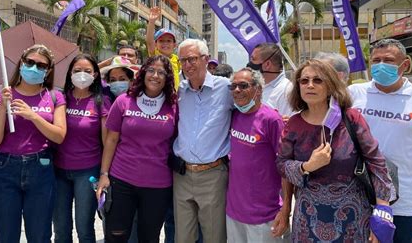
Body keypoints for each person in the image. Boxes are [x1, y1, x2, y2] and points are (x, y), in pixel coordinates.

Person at [277, 59, 395, 242]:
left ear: (330, 86)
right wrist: (307, 166)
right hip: (307, 219)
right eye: (304, 80)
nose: (310, 85)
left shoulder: (351, 118)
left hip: (352, 219)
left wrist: (382, 212)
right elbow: (282, 165)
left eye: (318, 80)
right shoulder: (294, 124)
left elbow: (376, 162)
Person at [0, 44, 67, 243]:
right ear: (21, 63)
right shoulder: (1, 95)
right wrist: (4, 107)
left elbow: (59, 136)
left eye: (41, 65)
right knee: (6, 236)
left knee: (39, 236)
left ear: (48, 71)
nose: (34, 68)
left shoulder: (55, 96)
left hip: (41, 168)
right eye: (30, 62)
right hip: (4, 169)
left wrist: (33, 116)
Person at [96, 55, 178, 242]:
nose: (155, 75)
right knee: (116, 236)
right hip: (122, 180)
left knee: (149, 238)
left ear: (167, 78)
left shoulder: (173, 106)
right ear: (142, 73)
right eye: (151, 70)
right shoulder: (124, 101)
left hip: (158, 186)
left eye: (161, 72)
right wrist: (104, 174)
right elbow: (111, 139)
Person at [349, 39, 412, 242]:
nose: (380, 65)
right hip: (357, 197)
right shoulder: (354, 93)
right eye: (376, 60)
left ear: (405, 64)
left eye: (388, 60)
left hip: (403, 204)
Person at [173, 38, 233, 243]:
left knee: (214, 237)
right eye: (183, 61)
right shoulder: (179, 91)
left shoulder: (226, 88)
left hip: (213, 175)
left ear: (206, 59)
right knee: (183, 237)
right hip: (182, 175)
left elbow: (250, 110)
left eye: (192, 59)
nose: (187, 65)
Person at [227, 68, 290, 242]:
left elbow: (285, 167)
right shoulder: (234, 115)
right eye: (233, 86)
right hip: (233, 213)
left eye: (243, 85)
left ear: (258, 89)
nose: (237, 90)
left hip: (264, 216)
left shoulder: (271, 120)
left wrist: (285, 210)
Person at [53, 54, 111, 242]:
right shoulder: (60, 99)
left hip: (88, 172)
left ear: (95, 75)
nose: (82, 75)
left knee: (84, 227)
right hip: (58, 171)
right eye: (77, 70)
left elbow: (107, 142)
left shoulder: (101, 102)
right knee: (61, 228)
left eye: (87, 71)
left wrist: (104, 173)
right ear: (70, 73)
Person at [247, 43, 292, 116]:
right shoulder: (257, 87)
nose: (249, 63)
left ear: (267, 64)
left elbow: (289, 124)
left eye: (253, 59)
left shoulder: (286, 91)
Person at [146, 6, 180, 88]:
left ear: (174, 45)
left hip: (174, 96)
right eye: (161, 41)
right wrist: (151, 22)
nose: (165, 44)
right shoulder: (156, 56)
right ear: (156, 44)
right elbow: (149, 41)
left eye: (169, 41)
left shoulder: (177, 59)